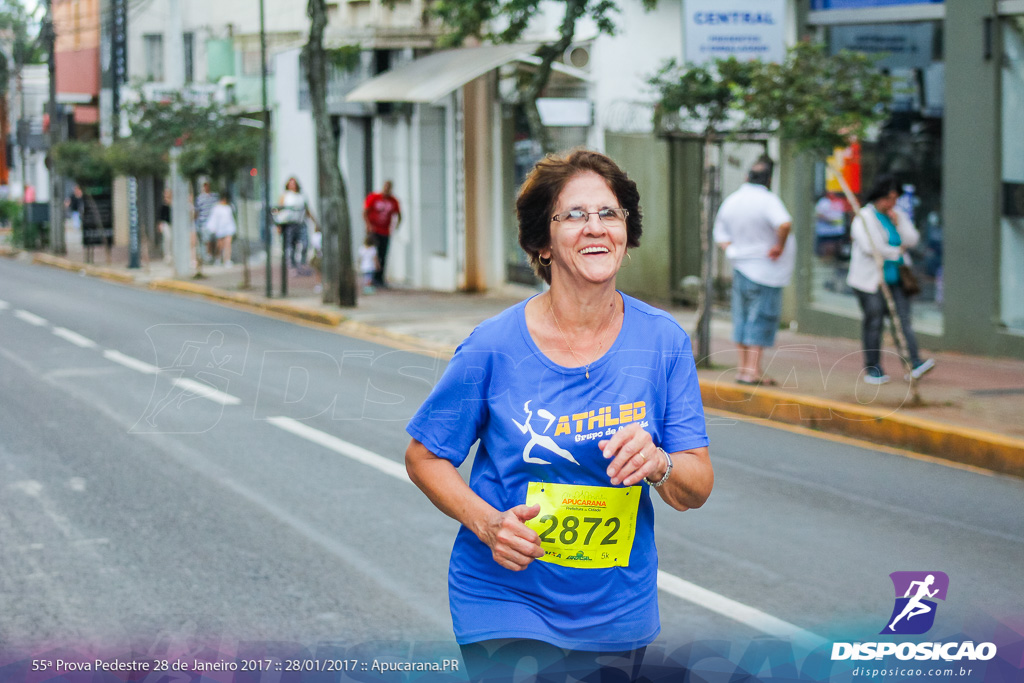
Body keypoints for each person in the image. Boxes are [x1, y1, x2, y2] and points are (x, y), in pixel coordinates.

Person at [404, 149, 713, 681]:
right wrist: (487, 523)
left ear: (626, 231)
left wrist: (659, 463)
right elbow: (424, 455)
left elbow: (696, 485)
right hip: (505, 598)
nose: (596, 228)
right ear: (543, 243)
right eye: (574, 215)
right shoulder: (494, 346)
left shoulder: (662, 341)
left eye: (609, 214)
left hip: (617, 609)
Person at [713, 156, 795, 386]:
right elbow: (785, 223)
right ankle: (752, 371)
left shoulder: (733, 200)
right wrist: (778, 247)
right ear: (769, 179)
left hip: (741, 266)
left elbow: (720, 233)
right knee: (760, 318)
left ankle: (743, 369)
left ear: (746, 177)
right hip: (766, 270)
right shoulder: (767, 200)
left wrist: (734, 250)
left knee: (742, 317)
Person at [847, 175, 935, 385]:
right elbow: (871, 247)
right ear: (879, 197)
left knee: (902, 321)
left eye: (895, 198)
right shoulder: (864, 217)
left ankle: (913, 362)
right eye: (889, 198)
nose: (892, 203)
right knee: (874, 321)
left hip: (897, 279)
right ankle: (873, 367)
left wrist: (899, 225)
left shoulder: (897, 215)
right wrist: (896, 251)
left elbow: (912, 239)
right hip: (870, 281)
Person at [363, 180, 401, 286]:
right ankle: (370, 278)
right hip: (374, 231)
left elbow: (398, 214)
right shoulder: (374, 197)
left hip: (385, 231)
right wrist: (368, 225)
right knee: (371, 254)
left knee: (382, 255)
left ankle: (380, 278)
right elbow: (365, 211)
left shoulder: (393, 201)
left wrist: (396, 226)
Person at [275, 177, 318, 269]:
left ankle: (302, 263)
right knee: (290, 246)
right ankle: (292, 265)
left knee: (304, 243)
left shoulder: (301, 196)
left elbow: (307, 210)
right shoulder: (285, 196)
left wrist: (315, 222)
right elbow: (279, 210)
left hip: (300, 223)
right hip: (289, 224)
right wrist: (278, 225)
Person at [204, 193, 237, 266]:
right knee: (220, 245)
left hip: (228, 228)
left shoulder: (229, 207)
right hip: (220, 229)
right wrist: (213, 228)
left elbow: (231, 218)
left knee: (228, 245)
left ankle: (227, 260)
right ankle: (218, 258)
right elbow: (214, 219)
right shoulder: (216, 207)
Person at [193, 181, 219, 265]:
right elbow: (197, 211)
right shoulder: (200, 198)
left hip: (214, 222)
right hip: (204, 222)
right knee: (207, 240)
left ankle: (215, 256)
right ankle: (208, 255)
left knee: (214, 241)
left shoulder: (215, 197)